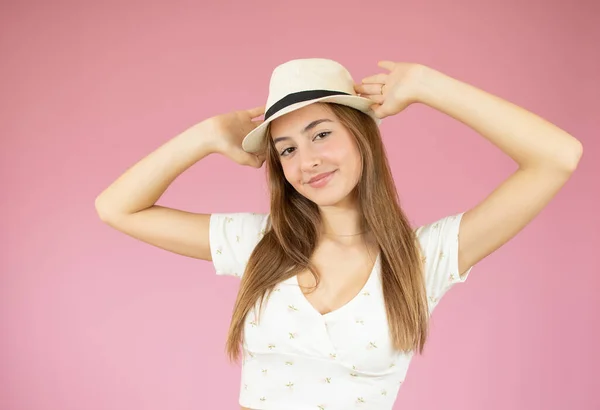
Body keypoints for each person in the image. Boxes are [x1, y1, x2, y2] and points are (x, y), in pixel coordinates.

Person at [95, 58, 583, 410]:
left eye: (321, 134)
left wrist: (428, 85)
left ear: (361, 136)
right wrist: (202, 136)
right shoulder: (261, 244)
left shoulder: (423, 258)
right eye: (285, 149)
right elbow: (117, 208)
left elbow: (557, 157)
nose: (306, 162)